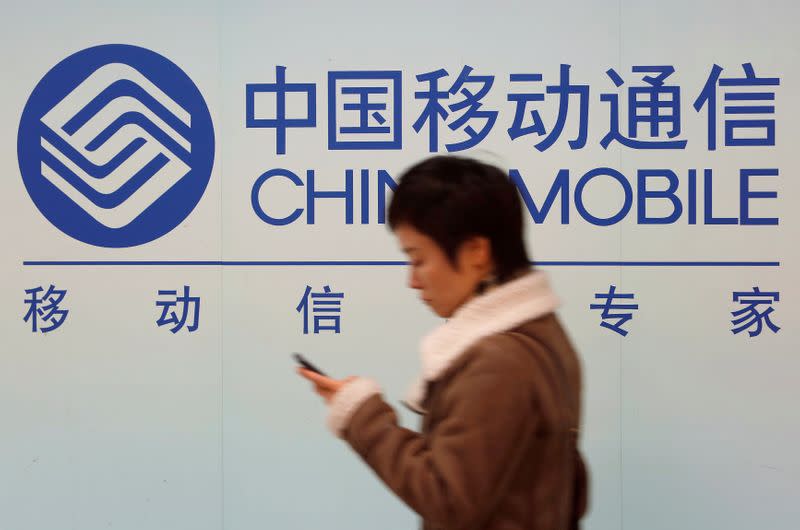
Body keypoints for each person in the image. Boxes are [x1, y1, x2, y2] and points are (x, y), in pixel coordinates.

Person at [298, 155, 588, 530]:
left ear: (476, 253)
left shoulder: (499, 363)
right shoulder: (542, 336)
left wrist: (360, 414)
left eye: (418, 260)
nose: (413, 281)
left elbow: (448, 500)